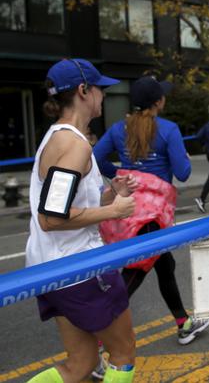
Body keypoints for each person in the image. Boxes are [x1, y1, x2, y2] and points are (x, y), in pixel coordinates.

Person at [26, 59, 137, 383]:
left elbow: (61, 205)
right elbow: (51, 218)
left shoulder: (55, 137)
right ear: (83, 91)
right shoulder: (75, 144)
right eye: (101, 88)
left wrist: (107, 196)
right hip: (80, 267)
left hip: (50, 267)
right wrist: (114, 211)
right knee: (123, 352)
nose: (104, 95)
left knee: (82, 362)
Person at [94, 76, 209, 352]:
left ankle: (183, 322)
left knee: (164, 265)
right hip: (154, 214)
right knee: (133, 274)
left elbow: (95, 157)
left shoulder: (118, 128)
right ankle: (98, 341)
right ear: (159, 101)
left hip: (128, 206)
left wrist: (122, 175)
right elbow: (183, 172)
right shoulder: (168, 130)